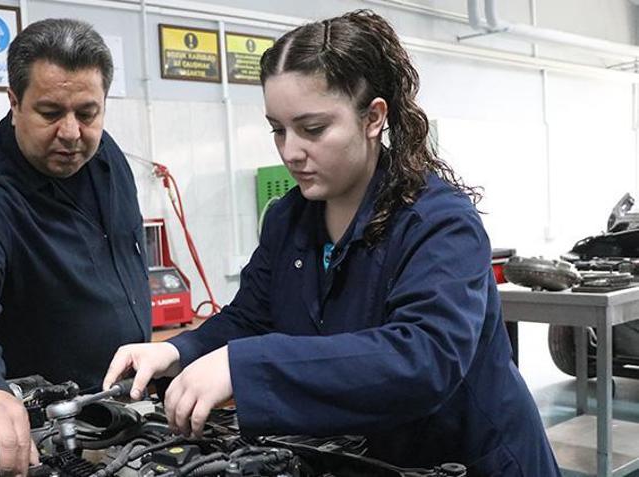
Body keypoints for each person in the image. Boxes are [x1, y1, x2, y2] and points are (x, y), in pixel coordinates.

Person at [103, 10, 559, 476]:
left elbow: (424, 358)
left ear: (373, 118)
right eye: (278, 129)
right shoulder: (289, 219)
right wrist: (180, 350)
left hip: (469, 460)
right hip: (370, 459)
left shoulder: (439, 222)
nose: (290, 151)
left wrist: (247, 367)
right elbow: (252, 317)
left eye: (313, 129)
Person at [0, 18, 151, 476]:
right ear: (14, 102)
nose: (71, 132)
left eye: (87, 113)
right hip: (50, 432)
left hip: (128, 406)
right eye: (50, 112)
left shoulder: (105, 155)